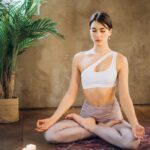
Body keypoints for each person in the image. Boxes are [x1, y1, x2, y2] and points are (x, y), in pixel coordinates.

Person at [35, 12, 145, 149]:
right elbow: (70, 94)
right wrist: (52, 119)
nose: (98, 35)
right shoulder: (79, 58)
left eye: (102, 30)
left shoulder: (120, 59)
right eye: (94, 30)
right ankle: (101, 129)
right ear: (89, 31)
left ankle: (92, 128)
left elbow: (125, 96)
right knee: (51, 135)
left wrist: (134, 124)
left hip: (112, 116)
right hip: (88, 114)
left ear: (110, 32)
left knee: (131, 142)